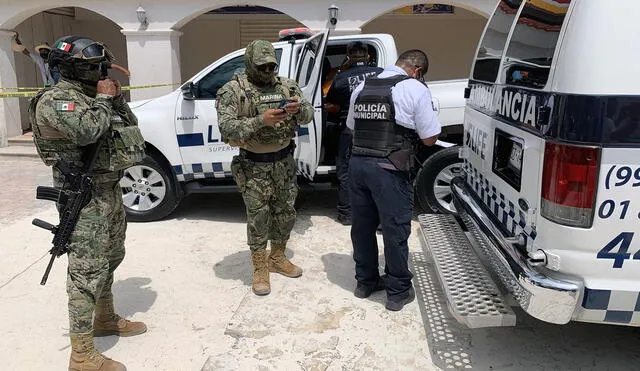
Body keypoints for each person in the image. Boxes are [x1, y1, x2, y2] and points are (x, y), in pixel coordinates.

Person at [29, 35, 147, 371]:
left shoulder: (93, 96)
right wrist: (106, 100)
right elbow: (87, 132)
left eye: (101, 67)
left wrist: (118, 101)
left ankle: (106, 317)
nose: (101, 72)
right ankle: (81, 354)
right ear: (72, 69)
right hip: (82, 198)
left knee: (112, 256)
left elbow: (130, 128)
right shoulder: (57, 100)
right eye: (94, 68)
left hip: (109, 190)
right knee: (85, 273)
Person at [345, 49, 441, 311]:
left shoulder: (363, 85)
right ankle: (397, 292)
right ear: (417, 70)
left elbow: (352, 127)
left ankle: (365, 283)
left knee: (362, 228)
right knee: (394, 228)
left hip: (358, 165)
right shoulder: (414, 88)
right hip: (389, 168)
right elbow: (429, 138)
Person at [217, 40, 314, 296]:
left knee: (286, 213)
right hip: (253, 166)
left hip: (284, 163)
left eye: (272, 66)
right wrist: (262, 120)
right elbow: (227, 129)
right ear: (250, 64)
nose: (268, 71)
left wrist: (298, 108)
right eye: (262, 66)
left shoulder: (286, 85)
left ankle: (277, 257)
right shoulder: (233, 90)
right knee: (258, 217)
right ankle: (260, 267)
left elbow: (308, 115)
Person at [325, 41, 383, 225]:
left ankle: (347, 215)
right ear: (369, 57)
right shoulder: (382, 73)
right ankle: (380, 216)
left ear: (348, 58)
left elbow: (333, 105)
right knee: (380, 171)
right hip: (380, 130)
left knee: (345, 172)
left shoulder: (341, 79)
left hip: (349, 130)